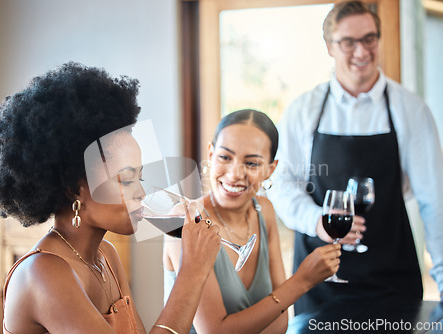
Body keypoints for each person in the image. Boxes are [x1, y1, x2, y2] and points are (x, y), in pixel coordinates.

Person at [0, 62, 221, 334]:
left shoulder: (107, 257)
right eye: (126, 179)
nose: (140, 191)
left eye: (140, 178)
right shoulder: (43, 273)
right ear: (74, 188)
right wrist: (192, 272)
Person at [267, 0, 443, 315]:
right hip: (318, 280)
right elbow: (280, 184)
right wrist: (315, 220)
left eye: (369, 39)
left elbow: (435, 201)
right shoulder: (303, 110)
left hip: (393, 279)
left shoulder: (411, 110)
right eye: (348, 42)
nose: (361, 52)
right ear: (329, 47)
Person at [163, 109, 341, 333]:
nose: (235, 173)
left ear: (270, 169)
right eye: (225, 157)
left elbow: (280, 324)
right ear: (210, 154)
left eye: (252, 163)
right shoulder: (185, 222)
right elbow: (215, 331)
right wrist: (301, 281)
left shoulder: (263, 211)